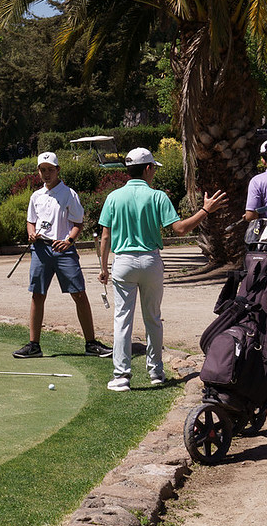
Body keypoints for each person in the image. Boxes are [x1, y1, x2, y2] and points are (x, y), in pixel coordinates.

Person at [97, 147, 227, 392]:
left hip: (123, 262)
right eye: (153, 168)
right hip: (150, 260)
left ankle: (121, 375)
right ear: (147, 168)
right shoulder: (157, 196)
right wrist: (205, 210)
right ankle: (156, 372)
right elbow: (180, 229)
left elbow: (105, 236)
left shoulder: (113, 197)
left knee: (122, 320)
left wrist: (104, 268)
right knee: (153, 319)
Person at [13, 152, 114, 359]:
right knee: (37, 295)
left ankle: (91, 343)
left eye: (50, 169)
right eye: (43, 170)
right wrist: (31, 233)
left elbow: (78, 223)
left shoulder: (69, 194)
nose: (46, 174)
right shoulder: (36, 196)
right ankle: (34, 345)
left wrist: (69, 241)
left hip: (64, 250)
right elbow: (31, 220)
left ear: (58, 170)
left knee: (79, 294)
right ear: (38, 171)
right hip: (40, 250)